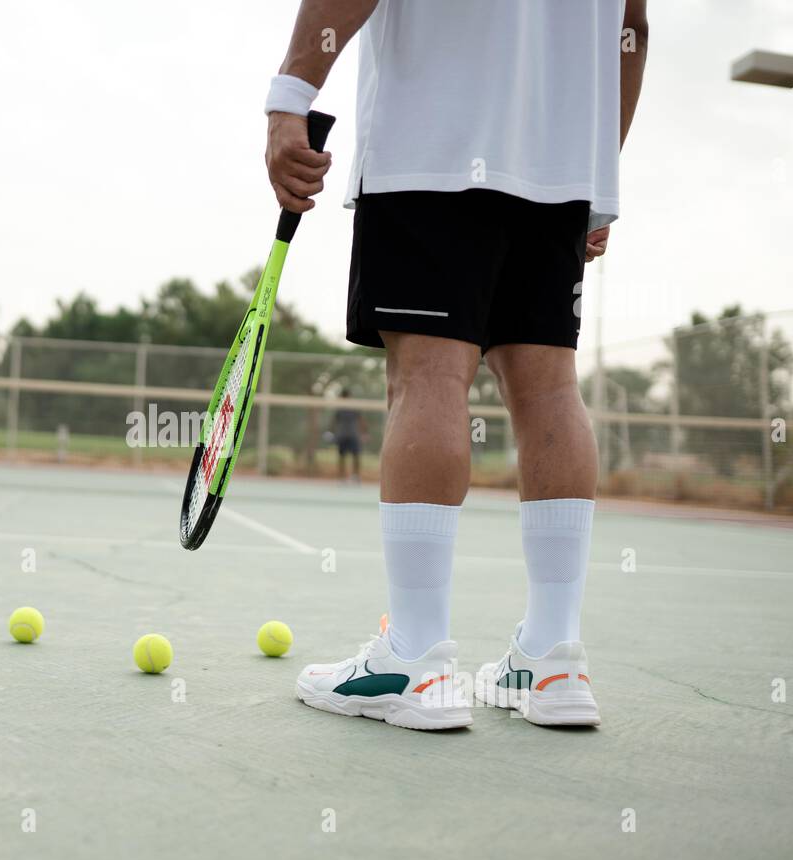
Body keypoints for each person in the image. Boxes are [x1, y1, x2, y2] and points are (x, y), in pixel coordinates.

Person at [268, 0, 648, 729]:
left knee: (429, 378)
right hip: (562, 169)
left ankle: (413, 659)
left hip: (432, 150)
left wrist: (292, 93)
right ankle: (553, 658)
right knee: (549, 389)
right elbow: (633, 24)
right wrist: (599, 172)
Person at [330, 388, 366, 482]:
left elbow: (361, 420)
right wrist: (332, 433)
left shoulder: (354, 407)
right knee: (342, 456)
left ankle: (355, 476)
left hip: (352, 435)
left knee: (355, 456)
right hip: (342, 435)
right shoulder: (340, 408)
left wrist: (364, 433)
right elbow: (335, 421)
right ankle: (341, 477)